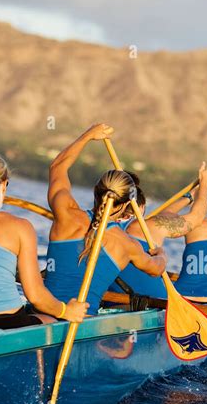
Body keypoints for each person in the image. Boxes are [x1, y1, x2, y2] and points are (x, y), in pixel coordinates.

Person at [45, 124, 166, 314]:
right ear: (127, 205)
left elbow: (57, 167)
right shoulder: (128, 245)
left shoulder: (65, 212)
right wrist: (161, 255)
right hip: (79, 325)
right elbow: (156, 269)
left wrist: (88, 136)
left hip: (44, 312)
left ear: (96, 190)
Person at [0, 151, 88, 329]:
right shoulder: (19, 226)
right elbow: (36, 297)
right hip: (4, 322)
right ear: (3, 185)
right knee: (52, 322)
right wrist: (66, 311)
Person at [109, 161, 207, 299]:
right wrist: (205, 184)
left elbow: (163, 217)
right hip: (148, 305)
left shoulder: (102, 224)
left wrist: (190, 196)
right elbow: (195, 219)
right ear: (141, 207)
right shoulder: (144, 226)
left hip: (113, 298)